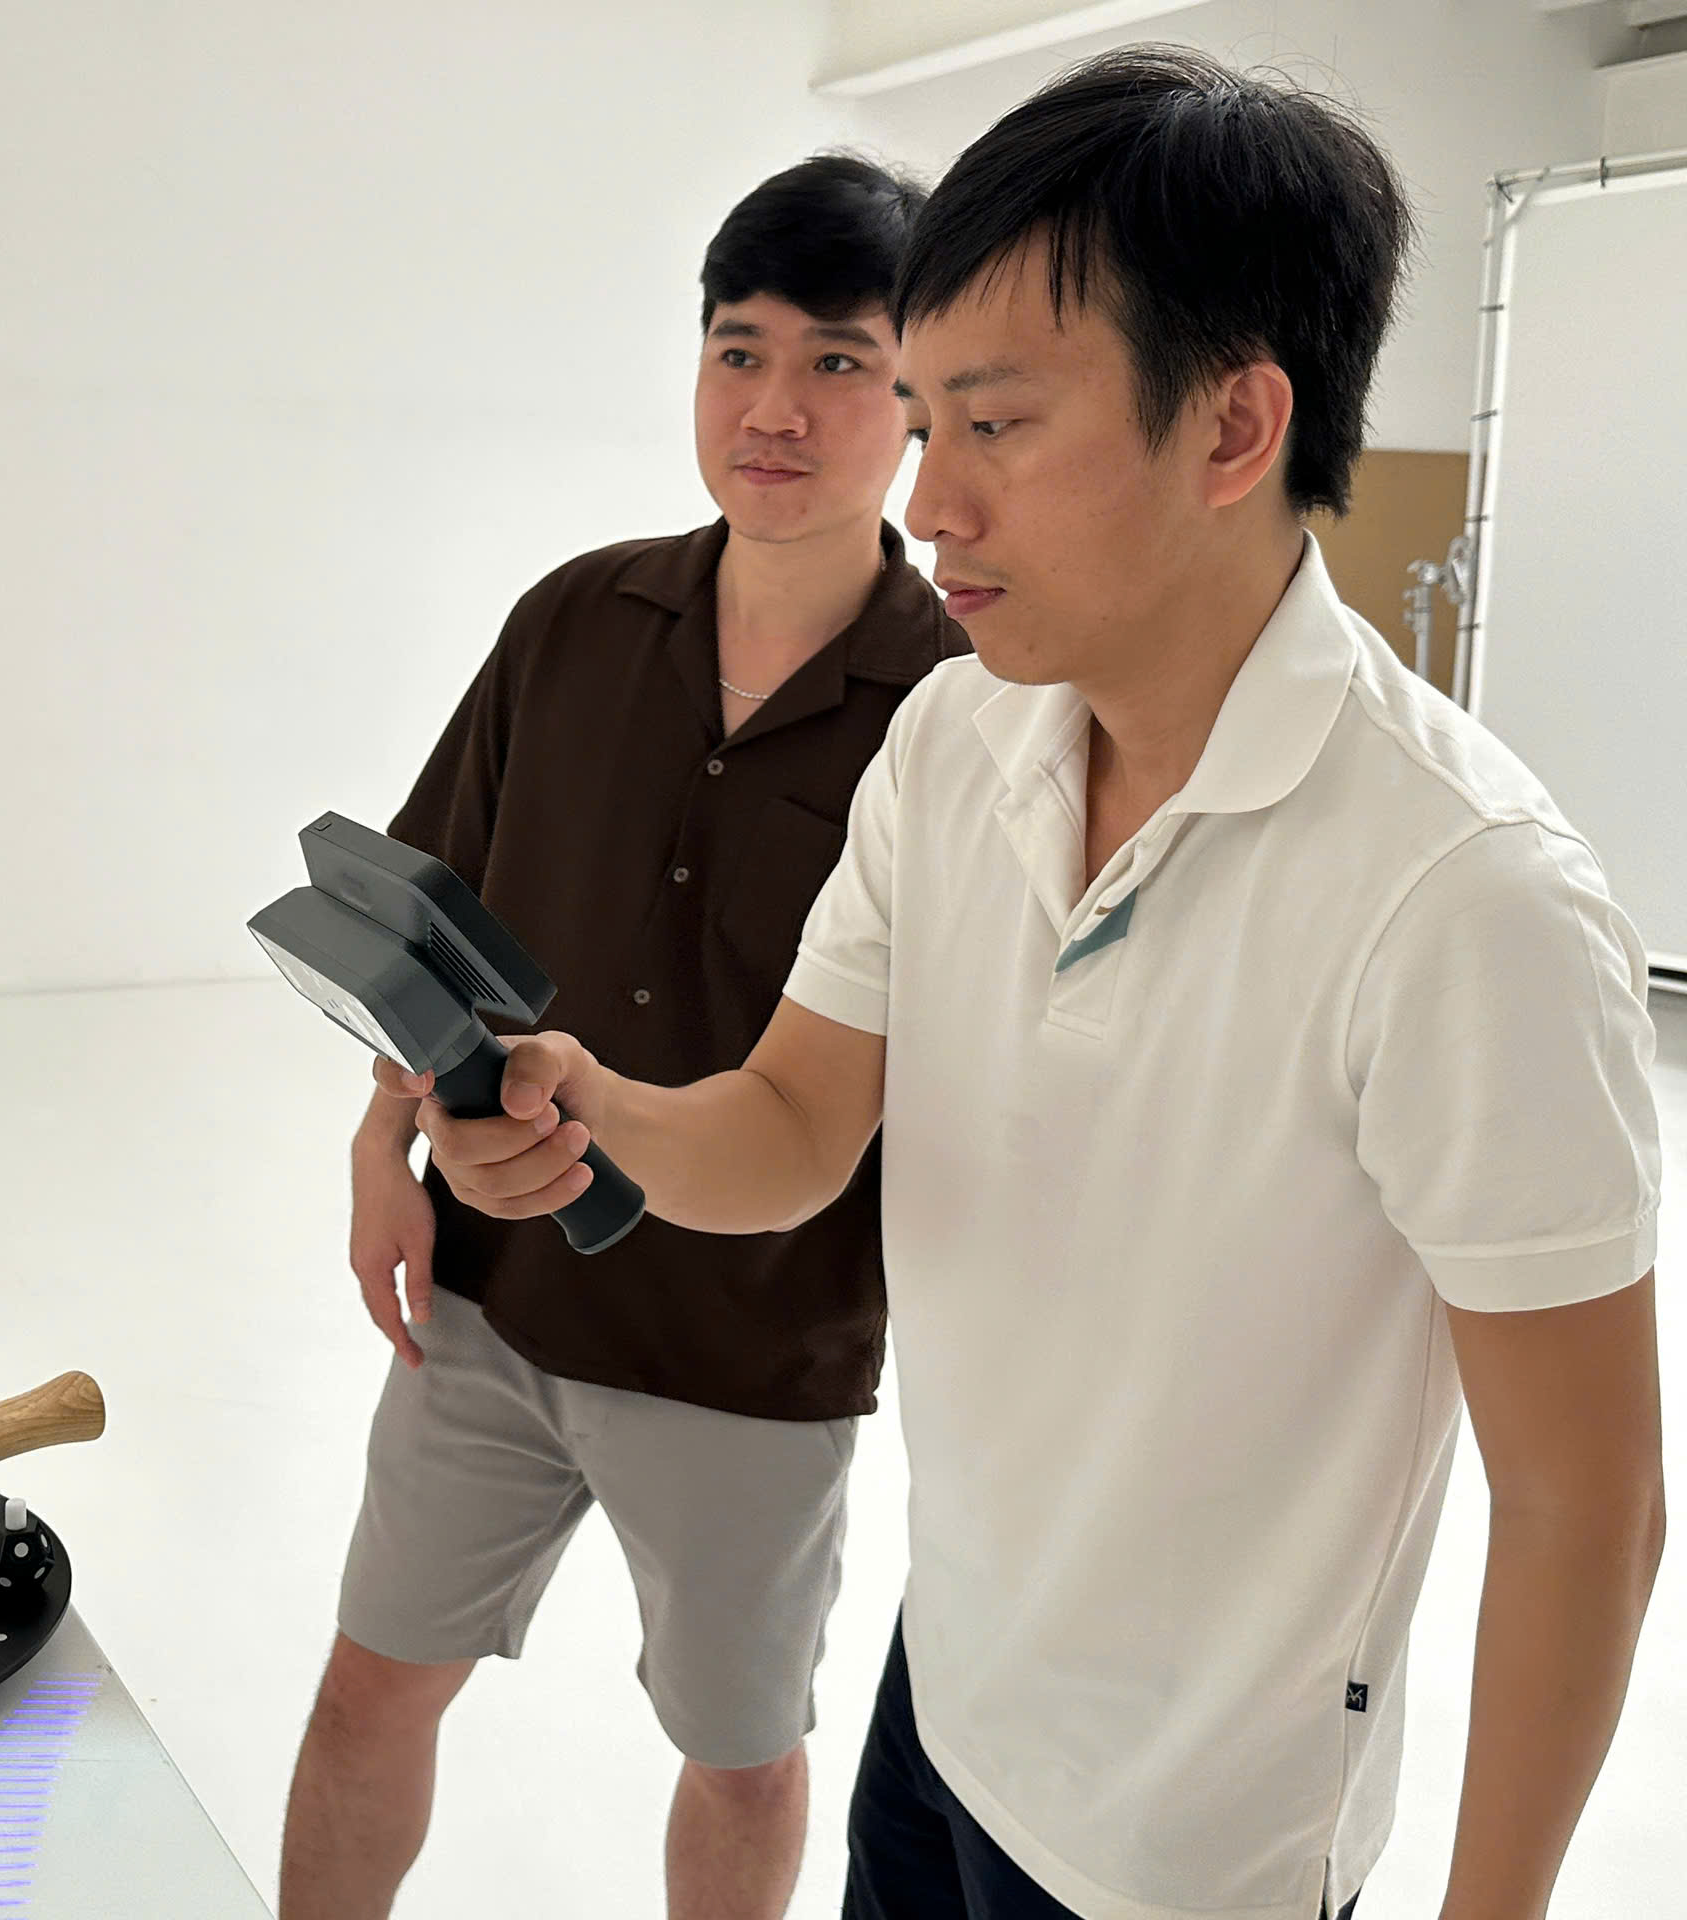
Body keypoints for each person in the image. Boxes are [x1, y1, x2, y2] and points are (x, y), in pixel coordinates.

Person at [390, 47, 1665, 1920]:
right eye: (923, 424)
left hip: (1196, 1842)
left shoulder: (1467, 899)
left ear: (1232, 429)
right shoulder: (952, 745)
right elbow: (794, 1123)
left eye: (991, 426)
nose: (930, 504)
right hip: (950, 1705)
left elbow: (1583, 1509)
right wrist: (608, 1113)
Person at [277, 153, 964, 1919]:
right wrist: (380, 1145)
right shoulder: (576, 620)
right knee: (367, 1692)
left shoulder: (962, 711)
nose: (775, 409)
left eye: (837, 362)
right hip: (496, 1298)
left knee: (739, 1761)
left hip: (758, 1346)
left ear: (918, 398)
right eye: (740, 352)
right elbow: (422, 917)